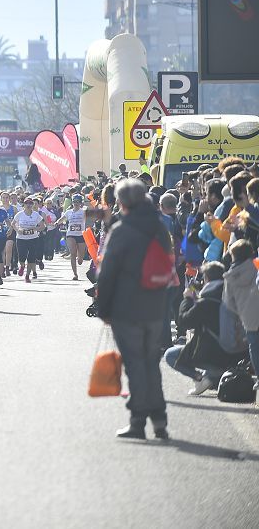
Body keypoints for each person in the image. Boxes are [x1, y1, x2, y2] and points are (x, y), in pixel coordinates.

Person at [95, 178, 171, 440]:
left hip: (127, 308)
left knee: (135, 365)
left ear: (121, 202)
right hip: (156, 305)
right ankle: (160, 420)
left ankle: (138, 420)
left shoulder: (122, 230)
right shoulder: (160, 227)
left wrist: (102, 308)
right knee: (151, 363)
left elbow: (106, 273)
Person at [164, 261, 243, 395]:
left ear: (206, 278)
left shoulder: (206, 303)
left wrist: (187, 299)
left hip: (210, 357)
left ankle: (200, 378)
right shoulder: (230, 296)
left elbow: (184, 321)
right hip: (234, 356)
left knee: (170, 355)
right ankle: (213, 377)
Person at [222, 239, 259, 379]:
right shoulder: (256, 266)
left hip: (248, 316)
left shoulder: (229, 276)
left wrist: (241, 311)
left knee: (254, 347)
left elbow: (228, 302)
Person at [11, 197, 45, 283]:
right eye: (27, 203)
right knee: (22, 257)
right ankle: (22, 266)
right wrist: (18, 230)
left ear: (33, 205)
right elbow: (13, 224)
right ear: (24, 205)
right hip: (21, 238)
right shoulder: (20, 214)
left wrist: (35, 228)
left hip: (33, 238)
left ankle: (27, 276)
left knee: (31, 258)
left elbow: (43, 226)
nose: (29, 205)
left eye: (30, 203)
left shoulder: (36, 215)